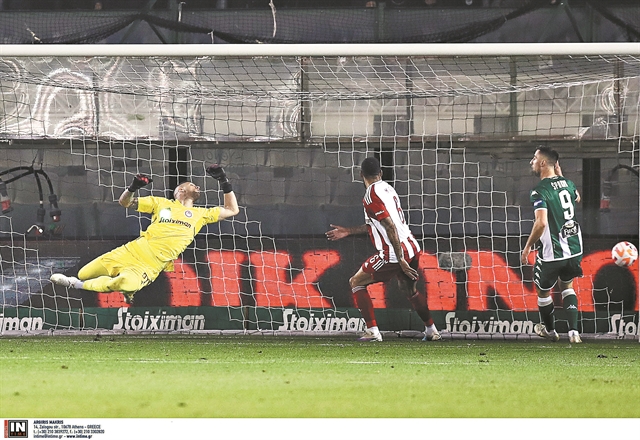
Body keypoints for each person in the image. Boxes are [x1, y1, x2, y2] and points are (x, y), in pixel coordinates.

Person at [50, 165, 239, 304]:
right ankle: (87, 281)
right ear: (181, 190)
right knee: (85, 273)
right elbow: (125, 202)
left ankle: (75, 284)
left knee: (123, 283)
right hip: (132, 250)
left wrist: (223, 180)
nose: (197, 186)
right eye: (192, 184)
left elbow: (232, 210)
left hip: (150, 266)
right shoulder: (161, 203)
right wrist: (133, 187)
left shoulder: (201, 214)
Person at [326, 157, 440, 342]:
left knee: (356, 282)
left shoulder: (371, 196)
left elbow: (389, 226)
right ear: (381, 173)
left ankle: (373, 331)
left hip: (394, 253)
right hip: (412, 246)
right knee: (409, 290)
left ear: (361, 175)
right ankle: (431, 330)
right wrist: (348, 231)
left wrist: (400, 258)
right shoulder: (388, 189)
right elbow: (378, 224)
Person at [521, 146, 583, 344]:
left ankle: (550, 331)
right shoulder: (569, 183)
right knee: (567, 286)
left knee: (543, 291)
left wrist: (527, 247)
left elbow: (541, 223)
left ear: (542, 163)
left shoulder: (539, 191)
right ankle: (574, 333)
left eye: (534, 158)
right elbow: (577, 197)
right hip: (574, 249)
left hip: (553, 253)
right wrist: (560, 177)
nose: (531, 161)